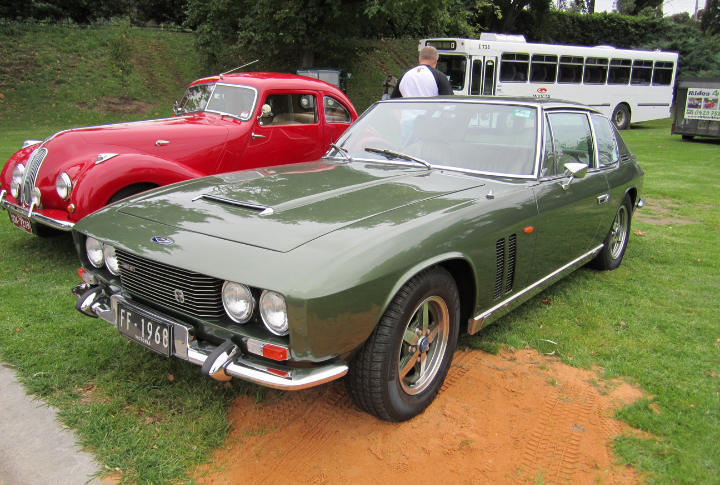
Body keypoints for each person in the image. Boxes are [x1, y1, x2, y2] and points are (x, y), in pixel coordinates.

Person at [390, 46, 454, 98]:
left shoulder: (405, 75)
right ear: (435, 60)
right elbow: (449, 102)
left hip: (407, 110)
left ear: (419, 59)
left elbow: (394, 100)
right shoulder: (440, 76)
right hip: (430, 110)